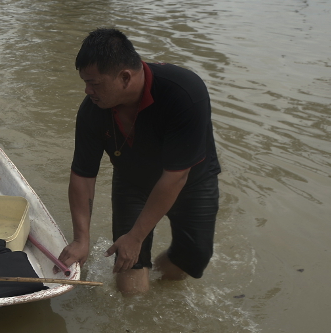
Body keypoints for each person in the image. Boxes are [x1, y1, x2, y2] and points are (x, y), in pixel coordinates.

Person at [57, 28, 221, 295]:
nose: (88, 91)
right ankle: (135, 312)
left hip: (191, 181)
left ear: (124, 77)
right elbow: (83, 176)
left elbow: (175, 177)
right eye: (85, 82)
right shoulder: (92, 111)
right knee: (130, 278)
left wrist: (135, 237)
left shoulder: (184, 92)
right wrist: (81, 239)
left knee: (193, 259)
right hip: (133, 180)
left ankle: (157, 279)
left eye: (95, 83)